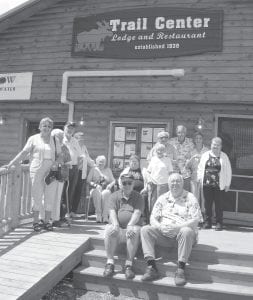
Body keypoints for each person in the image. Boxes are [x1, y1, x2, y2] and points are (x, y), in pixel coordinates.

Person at [141, 173, 203, 286]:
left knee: (186, 231)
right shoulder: (162, 198)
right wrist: (160, 227)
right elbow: (152, 218)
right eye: (172, 181)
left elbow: (195, 220)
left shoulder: (190, 197)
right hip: (164, 235)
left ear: (183, 183)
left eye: (178, 181)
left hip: (183, 237)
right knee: (145, 229)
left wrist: (178, 227)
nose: (175, 184)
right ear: (168, 184)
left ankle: (180, 270)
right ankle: (151, 267)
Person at [5, 117, 61, 232]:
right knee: (37, 196)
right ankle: (35, 222)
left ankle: (46, 221)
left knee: (50, 197)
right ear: (40, 127)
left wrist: (55, 163)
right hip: (36, 170)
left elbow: (60, 155)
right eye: (44, 125)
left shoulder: (55, 140)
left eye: (49, 126)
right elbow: (24, 152)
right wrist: (11, 163)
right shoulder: (33, 139)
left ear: (51, 128)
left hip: (52, 171)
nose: (46, 128)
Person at [103, 173, 144, 279]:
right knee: (109, 229)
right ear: (121, 184)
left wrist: (130, 224)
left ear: (133, 184)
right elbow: (112, 212)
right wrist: (115, 224)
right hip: (119, 228)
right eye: (124, 183)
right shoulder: (114, 196)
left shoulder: (138, 197)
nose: (127, 185)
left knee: (133, 230)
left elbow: (137, 213)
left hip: (132, 227)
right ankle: (110, 263)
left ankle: (128, 265)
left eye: (129, 183)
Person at [197, 137, 232, 231]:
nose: (215, 146)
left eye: (217, 145)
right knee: (207, 204)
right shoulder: (205, 155)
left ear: (221, 146)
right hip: (206, 184)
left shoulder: (224, 156)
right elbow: (200, 168)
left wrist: (227, 184)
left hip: (219, 184)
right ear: (211, 145)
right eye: (213, 144)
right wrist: (200, 179)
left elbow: (228, 171)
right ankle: (207, 222)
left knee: (219, 205)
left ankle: (219, 223)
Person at [61, 121, 83, 219]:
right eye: (68, 128)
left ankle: (66, 213)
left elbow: (79, 155)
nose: (70, 130)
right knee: (61, 191)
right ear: (64, 128)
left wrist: (78, 167)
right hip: (63, 168)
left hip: (74, 168)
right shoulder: (60, 139)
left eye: (72, 128)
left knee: (71, 191)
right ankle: (59, 214)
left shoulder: (75, 141)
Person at [51, 129, 71, 226]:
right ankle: (49, 219)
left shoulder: (64, 147)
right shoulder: (50, 147)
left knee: (59, 198)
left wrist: (65, 164)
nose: (62, 138)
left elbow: (69, 161)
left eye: (62, 136)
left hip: (61, 176)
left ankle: (57, 218)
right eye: (60, 136)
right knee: (51, 198)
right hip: (51, 176)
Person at [146, 144, 173, 213]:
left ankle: (163, 217)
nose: (159, 151)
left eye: (161, 150)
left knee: (163, 201)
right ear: (155, 151)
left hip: (164, 184)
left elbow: (170, 172)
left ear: (164, 151)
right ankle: (153, 217)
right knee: (153, 202)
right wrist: (149, 181)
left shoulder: (167, 159)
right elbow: (148, 172)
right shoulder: (153, 159)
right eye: (158, 150)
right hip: (154, 184)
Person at [87, 155, 115, 223]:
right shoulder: (93, 169)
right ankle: (98, 215)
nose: (101, 163)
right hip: (95, 189)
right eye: (100, 161)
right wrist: (95, 185)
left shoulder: (108, 170)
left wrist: (110, 185)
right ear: (97, 162)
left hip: (105, 188)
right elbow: (88, 180)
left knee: (106, 193)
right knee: (96, 193)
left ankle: (105, 216)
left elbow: (113, 181)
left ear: (105, 163)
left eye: (103, 162)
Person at [73, 131, 94, 217]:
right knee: (72, 192)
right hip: (74, 172)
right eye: (80, 139)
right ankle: (67, 211)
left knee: (78, 192)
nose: (82, 140)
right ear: (76, 139)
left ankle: (73, 212)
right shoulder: (74, 147)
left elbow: (88, 158)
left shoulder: (84, 147)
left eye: (83, 139)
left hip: (82, 173)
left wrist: (95, 165)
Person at [186, 132, 209, 207]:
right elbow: (187, 166)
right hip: (194, 176)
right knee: (194, 197)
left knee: (204, 197)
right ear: (194, 140)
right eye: (196, 138)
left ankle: (204, 214)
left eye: (200, 138)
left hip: (204, 176)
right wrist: (192, 158)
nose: (198, 140)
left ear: (202, 140)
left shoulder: (207, 151)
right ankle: (195, 213)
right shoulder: (191, 151)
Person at [170, 125, 195, 191]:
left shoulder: (190, 143)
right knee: (174, 193)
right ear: (176, 132)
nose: (181, 134)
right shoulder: (171, 142)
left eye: (183, 132)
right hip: (174, 172)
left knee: (185, 194)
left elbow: (192, 156)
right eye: (179, 132)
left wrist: (188, 161)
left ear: (185, 133)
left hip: (186, 173)